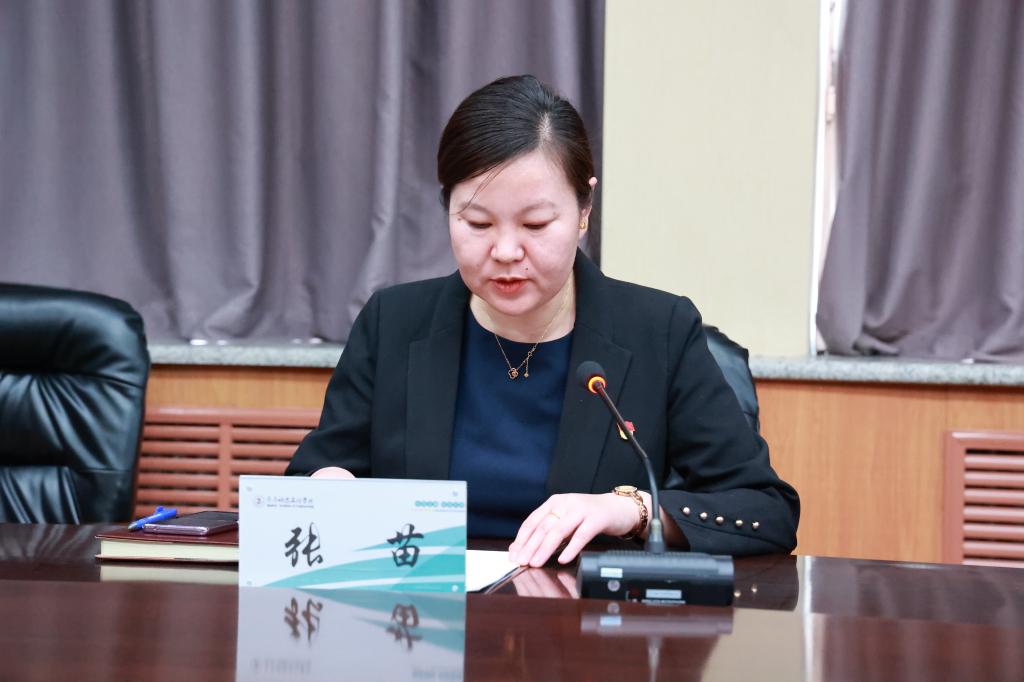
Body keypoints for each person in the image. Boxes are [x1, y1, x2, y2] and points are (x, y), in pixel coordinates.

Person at [286, 75, 799, 567]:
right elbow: (314, 473)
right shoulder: (394, 323)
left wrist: (631, 510)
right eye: (477, 223)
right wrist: (326, 486)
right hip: (423, 616)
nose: (506, 251)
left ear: (583, 209)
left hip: (582, 620)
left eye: (535, 224)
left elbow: (767, 510)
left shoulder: (658, 332)